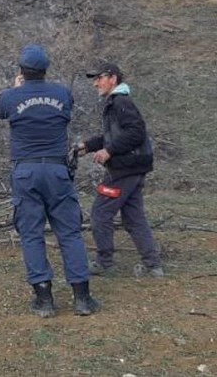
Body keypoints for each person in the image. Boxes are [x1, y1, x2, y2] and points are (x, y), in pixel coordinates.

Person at [0, 44, 100, 317]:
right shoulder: (62, 93)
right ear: (45, 70)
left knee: (31, 234)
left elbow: (0, 111)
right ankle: (82, 299)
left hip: (26, 172)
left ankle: (44, 299)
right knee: (70, 233)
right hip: (57, 171)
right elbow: (66, 109)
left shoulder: (11, 97)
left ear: (22, 71)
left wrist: (16, 89)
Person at [78, 62, 164, 278]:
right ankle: (153, 265)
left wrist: (109, 151)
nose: (95, 83)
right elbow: (114, 136)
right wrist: (87, 146)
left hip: (124, 169)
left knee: (100, 213)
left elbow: (136, 132)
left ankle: (104, 262)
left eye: (99, 78)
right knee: (133, 216)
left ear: (113, 78)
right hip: (134, 168)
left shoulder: (120, 102)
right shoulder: (116, 103)